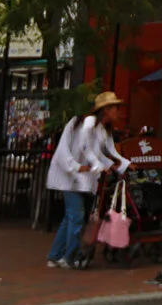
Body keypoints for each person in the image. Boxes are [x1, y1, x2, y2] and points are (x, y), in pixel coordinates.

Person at [44, 92, 129, 269]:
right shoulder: (79, 124)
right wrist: (76, 167)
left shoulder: (103, 131)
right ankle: (70, 257)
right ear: (105, 110)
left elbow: (106, 154)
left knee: (71, 217)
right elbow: (63, 150)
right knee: (76, 215)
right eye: (115, 108)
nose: (118, 112)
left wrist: (121, 165)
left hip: (84, 178)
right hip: (70, 176)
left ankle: (55, 255)